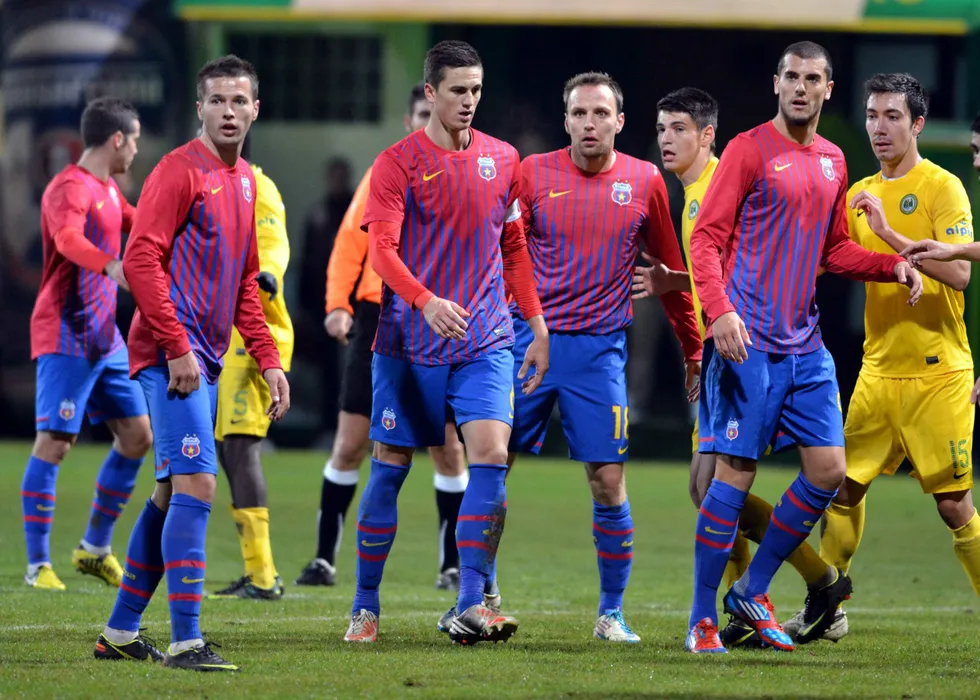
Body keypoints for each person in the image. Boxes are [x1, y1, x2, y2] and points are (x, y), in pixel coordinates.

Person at [686, 41, 923, 654]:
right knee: (732, 477)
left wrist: (892, 266)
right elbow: (706, 240)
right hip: (747, 344)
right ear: (776, 84)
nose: (800, 87)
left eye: (812, 78)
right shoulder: (747, 150)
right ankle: (702, 621)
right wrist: (720, 313)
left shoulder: (832, 160)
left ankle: (752, 589)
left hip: (806, 347)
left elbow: (834, 248)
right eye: (791, 76)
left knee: (828, 471)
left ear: (827, 89)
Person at [343, 39, 548, 646]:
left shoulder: (503, 159)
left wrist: (536, 324)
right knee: (389, 469)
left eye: (476, 90)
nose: (469, 100)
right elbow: (382, 252)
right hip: (408, 344)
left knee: (490, 455)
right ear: (431, 92)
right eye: (458, 90)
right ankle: (364, 606)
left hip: (485, 338)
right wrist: (425, 301)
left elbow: (514, 248)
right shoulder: (396, 163)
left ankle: (469, 601)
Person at [92, 55, 290, 672]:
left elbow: (244, 285)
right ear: (199, 108)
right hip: (168, 355)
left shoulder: (247, 182)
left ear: (255, 110)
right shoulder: (177, 171)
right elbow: (141, 260)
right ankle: (185, 641)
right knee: (199, 484)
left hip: (201, 358)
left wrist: (268, 361)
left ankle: (120, 633)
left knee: (168, 492)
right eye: (217, 101)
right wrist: (176, 347)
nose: (229, 111)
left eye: (240, 101)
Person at [641, 86, 842, 648]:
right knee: (709, 487)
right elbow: (728, 270)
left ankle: (797, 586)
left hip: (754, 347)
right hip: (727, 347)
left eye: (679, 128)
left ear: (709, 136)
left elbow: (748, 265)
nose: (666, 139)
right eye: (661, 129)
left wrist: (711, 323)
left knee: (720, 485)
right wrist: (683, 307)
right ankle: (769, 593)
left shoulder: (720, 181)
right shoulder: (690, 194)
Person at [505, 72, 702, 643]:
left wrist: (692, 348)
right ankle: (477, 596)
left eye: (600, 114)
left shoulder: (645, 181)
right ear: (565, 120)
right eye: (579, 114)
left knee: (609, 483)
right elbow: (504, 255)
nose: (589, 124)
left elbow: (667, 273)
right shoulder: (531, 173)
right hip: (528, 344)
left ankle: (611, 613)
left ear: (619, 121)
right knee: (491, 468)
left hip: (599, 355)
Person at [783, 73, 979, 642]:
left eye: (893, 116)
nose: (879, 127)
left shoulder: (942, 186)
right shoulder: (857, 192)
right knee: (841, 488)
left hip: (938, 373)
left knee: (953, 505)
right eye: (872, 115)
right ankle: (828, 609)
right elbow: (828, 256)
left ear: (917, 124)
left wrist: (890, 235)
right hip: (877, 370)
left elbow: (959, 274)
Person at [297, 83, 468, 592]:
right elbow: (350, 244)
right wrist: (337, 305)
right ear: (409, 119)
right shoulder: (386, 171)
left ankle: (452, 565)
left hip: (442, 320)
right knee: (351, 442)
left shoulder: (470, 171)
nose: (427, 120)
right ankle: (323, 558)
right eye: (420, 112)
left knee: (448, 450)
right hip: (380, 316)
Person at [24, 96, 151, 592]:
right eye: (134, 140)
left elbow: (139, 221)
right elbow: (68, 241)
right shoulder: (68, 188)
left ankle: (94, 549)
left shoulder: (108, 190)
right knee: (55, 443)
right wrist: (110, 264)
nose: (136, 149)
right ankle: (38, 566)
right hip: (65, 332)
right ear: (117, 139)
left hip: (105, 339)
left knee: (137, 436)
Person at [211, 133, 294, 600]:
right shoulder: (212, 185)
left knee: (241, 447)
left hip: (254, 333)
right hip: (222, 336)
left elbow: (273, 245)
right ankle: (255, 570)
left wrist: (269, 277)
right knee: (226, 450)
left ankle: (263, 576)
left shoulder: (258, 187)